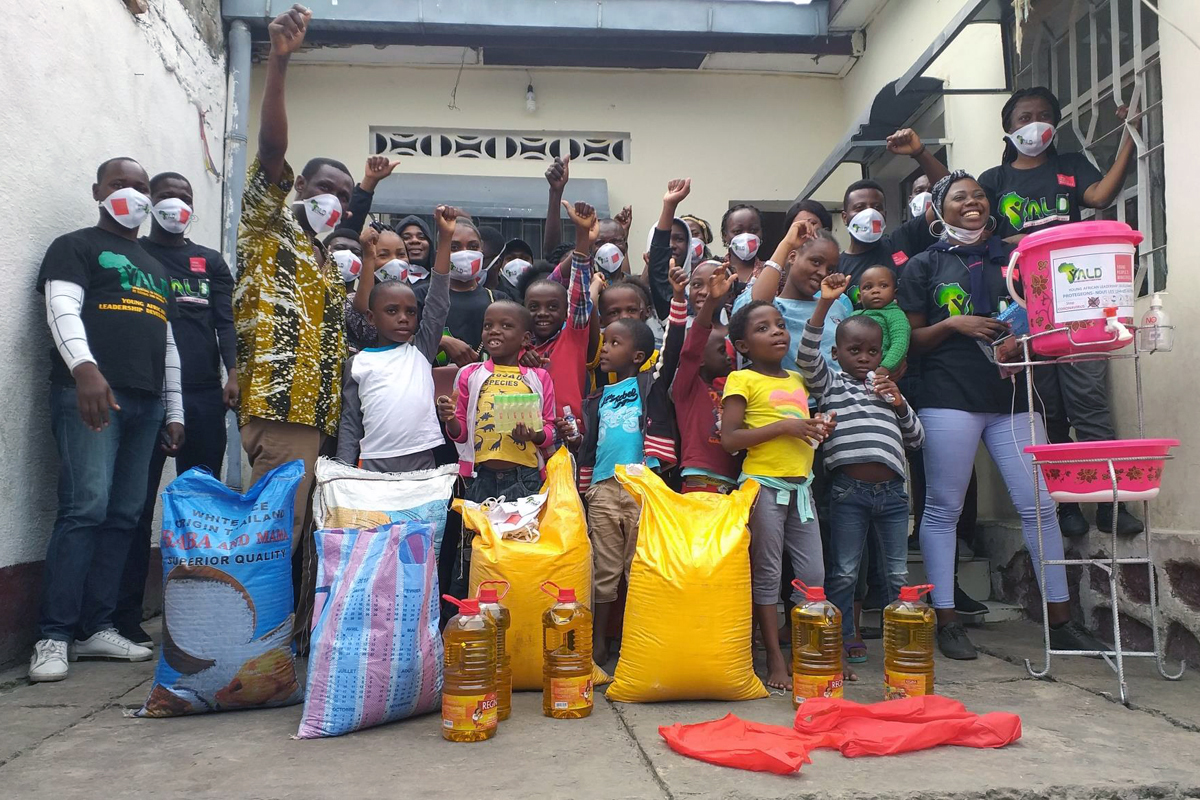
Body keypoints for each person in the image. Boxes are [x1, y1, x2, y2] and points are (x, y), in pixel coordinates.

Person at [896, 170, 1106, 660]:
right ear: (938, 210)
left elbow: (1047, 318)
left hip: (1013, 396)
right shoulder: (924, 266)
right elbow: (910, 341)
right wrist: (953, 323)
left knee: (1039, 505)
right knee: (943, 508)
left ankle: (1061, 618)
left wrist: (1023, 342)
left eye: (978, 196)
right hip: (949, 394)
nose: (971, 203)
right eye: (958, 197)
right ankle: (946, 619)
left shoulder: (1015, 260)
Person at [29, 157, 184, 681]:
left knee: (124, 515)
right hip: (93, 397)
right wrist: (85, 370)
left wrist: (175, 410)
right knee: (85, 508)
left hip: (146, 404)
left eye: (141, 186)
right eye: (121, 184)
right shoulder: (75, 246)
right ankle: (53, 635)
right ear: (98, 190)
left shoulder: (154, 264)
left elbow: (167, 345)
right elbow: (61, 308)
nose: (134, 194)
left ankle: (97, 629)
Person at [234, 4, 355, 648]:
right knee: (277, 529)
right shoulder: (269, 227)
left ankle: (278, 638)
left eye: (347, 195)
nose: (337, 199)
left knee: (299, 530)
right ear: (300, 185)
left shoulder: (325, 264)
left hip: (318, 416)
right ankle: (259, 646)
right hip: (280, 409)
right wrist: (278, 59)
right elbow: (271, 147)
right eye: (326, 187)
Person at [978, 86, 1141, 537]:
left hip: (1079, 302)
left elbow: (1102, 195)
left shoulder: (1068, 166)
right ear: (1008, 127)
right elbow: (977, 227)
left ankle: (1111, 503)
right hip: (1024, 306)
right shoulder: (992, 180)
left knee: (1089, 401)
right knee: (1048, 410)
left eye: (1045, 115)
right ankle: (1067, 504)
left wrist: (1131, 132)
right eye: (1025, 116)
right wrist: (1022, 243)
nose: (1036, 124)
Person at [115, 170, 238, 646]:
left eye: (184, 196)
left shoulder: (209, 262)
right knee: (137, 504)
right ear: (149, 202)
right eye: (166, 195)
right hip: (147, 395)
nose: (175, 203)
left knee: (203, 502)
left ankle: (203, 608)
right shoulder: (138, 258)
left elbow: (224, 323)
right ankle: (125, 617)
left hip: (204, 393)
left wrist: (235, 372)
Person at [797, 273, 925, 670]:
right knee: (845, 570)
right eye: (855, 350)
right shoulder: (831, 383)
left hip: (892, 495)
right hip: (848, 492)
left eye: (873, 350)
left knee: (897, 572)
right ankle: (843, 634)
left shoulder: (886, 390)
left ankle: (898, 639)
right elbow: (805, 357)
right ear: (837, 355)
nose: (865, 357)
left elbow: (917, 440)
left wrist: (900, 403)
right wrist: (823, 304)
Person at [721, 300, 833, 691]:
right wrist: (785, 428)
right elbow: (730, 439)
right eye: (764, 328)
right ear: (743, 345)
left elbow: (798, 429)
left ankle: (812, 655)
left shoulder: (797, 380)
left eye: (780, 325)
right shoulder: (742, 381)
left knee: (813, 575)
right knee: (767, 575)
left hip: (801, 488)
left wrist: (816, 428)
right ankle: (773, 657)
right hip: (764, 488)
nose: (777, 332)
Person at [439, 300, 557, 595]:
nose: (495, 331)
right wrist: (450, 420)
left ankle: (516, 608)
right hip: (480, 479)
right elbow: (461, 434)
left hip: (525, 478)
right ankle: (468, 614)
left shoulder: (538, 377)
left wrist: (535, 434)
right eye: (488, 325)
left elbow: (551, 429)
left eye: (506, 326)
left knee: (518, 551)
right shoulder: (470, 374)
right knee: (473, 552)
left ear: (525, 338)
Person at [337, 205, 457, 478]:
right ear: (371, 317)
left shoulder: (420, 350)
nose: (403, 318)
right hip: (373, 465)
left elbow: (438, 302)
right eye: (392, 311)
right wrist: (341, 473)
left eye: (411, 312)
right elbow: (350, 422)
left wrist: (446, 238)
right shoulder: (358, 364)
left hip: (422, 464)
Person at [573, 317, 658, 665]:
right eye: (604, 342)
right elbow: (589, 446)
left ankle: (634, 640)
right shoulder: (595, 398)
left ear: (637, 356)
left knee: (638, 569)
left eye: (614, 343)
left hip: (641, 488)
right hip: (604, 490)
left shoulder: (649, 387)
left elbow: (684, 346)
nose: (605, 348)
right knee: (605, 571)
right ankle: (599, 643)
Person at [836, 128, 949, 295]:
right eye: (859, 208)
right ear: (845, 217)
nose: (869, 214)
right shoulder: (836, 266)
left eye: (876, 207)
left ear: (885, 215)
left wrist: (919, 152)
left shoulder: (902, 240)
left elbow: (947, 197)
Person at [739, 221, 853, 370]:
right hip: (790, 392)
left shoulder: (837, 307)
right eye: (816, 262)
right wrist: (786, 244)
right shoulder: (773, 309)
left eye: (830, 269)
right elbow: (756, 304)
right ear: (792, 257)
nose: (823, 273)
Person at [525, 203, 600, 426]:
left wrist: (582, 235)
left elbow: (578, 291)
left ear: (566, 311)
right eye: (533, 307)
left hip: (569, 438)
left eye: (552, 307)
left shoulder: (573, 337)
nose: (542, 313)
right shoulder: (517, 349)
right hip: (526, 438)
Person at [673, 266, 738, 493]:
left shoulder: (733, 391)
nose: (728, 357)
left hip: (733, 485)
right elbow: (691, 348)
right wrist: (711, 301)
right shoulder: (687, 390)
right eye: (722, 351)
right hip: (700, 485)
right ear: (700, 358)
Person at [416, 218, 510, 367]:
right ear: (440, 252)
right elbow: (400, 341)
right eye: (454, 247)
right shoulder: (421, 296)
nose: (465, 254)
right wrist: (441, 341)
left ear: (482, 250)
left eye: (473, 247)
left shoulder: (498, 300)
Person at [848, 265, 909, 376]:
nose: (875, 291)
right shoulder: (853, 316)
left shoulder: (895, 314)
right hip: (852, 373)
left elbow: (900, 343)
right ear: (859, 297)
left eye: (883, 285)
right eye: (868, 287)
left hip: (880, 374)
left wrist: (886, 367)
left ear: (894, 292)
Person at [721, 203, 765, 285]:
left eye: (753, 230)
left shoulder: (773, 273)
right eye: (737, 231)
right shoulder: (714, 269)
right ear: (725, 235)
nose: (746, 236)